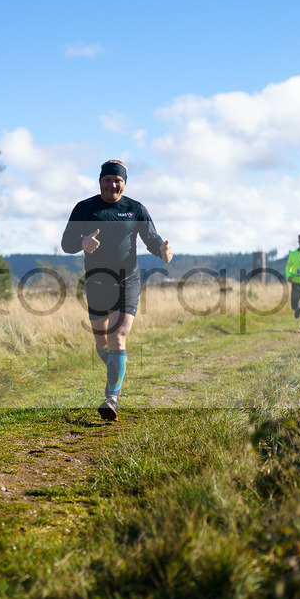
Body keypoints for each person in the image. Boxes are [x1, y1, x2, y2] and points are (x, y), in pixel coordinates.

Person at [61, 160, 173, 421]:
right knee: (102, 342)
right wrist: (82, 241)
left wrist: (162, 251)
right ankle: (117, 367)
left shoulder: (135, 209)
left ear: (124, 183)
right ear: (100, 181)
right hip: (97, 282)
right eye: (108, 180)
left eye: (118, 180)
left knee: (118, 336)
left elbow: (152, 238)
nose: (113, 184)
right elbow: (66, 243)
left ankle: (111, 398)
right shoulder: (85, 208)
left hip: (127, 281)